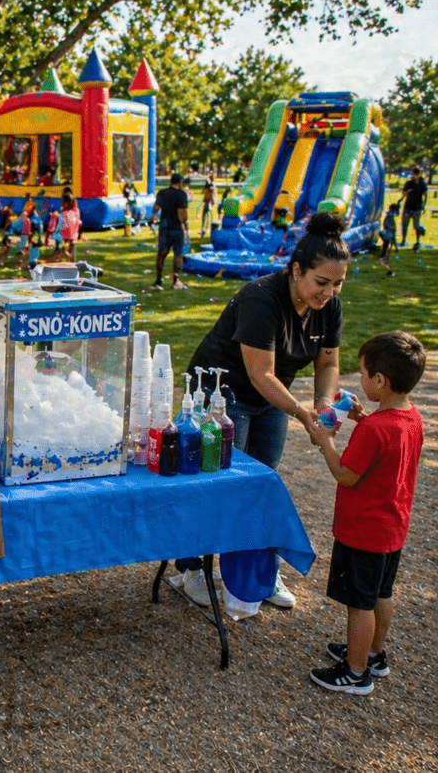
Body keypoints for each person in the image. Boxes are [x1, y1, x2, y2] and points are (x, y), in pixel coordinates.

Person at [183, 211, 350, 610]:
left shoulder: (329, 307)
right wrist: (301, 413)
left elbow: (328, 363)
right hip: (223, 395)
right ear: (296, 271)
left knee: (262, 483)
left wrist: (324, 406)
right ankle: (191, 569)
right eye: (321, 282)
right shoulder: (261, 298)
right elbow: (261, 374)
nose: (328, 292)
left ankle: (259, 571)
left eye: (338, 284)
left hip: (271, 396)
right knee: (219, 482)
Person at [307, 331, 426, 694]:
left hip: (363, 532)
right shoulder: (411, 418)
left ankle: (356, 672)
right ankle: (374, 654)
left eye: (362, 374)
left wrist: (325, 442)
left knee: (359, 605)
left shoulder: (375, 429)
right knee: (381, 595)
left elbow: (347, 475)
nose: (359, 380)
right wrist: (362, 420)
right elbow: (386, 452)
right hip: (391, 530)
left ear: (380, 380)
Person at [151, 172, 189, 290]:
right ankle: (175, 281)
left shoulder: (162, 193)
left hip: (164, 228)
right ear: (179, 182)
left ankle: (158, 280)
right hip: (176, 229)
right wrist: (185, 225)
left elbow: (156, 208)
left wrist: (153, 218)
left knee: (161, 253)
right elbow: (181, 215)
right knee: (178, 255)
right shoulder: (181, 195)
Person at [397, 165, 427, 251]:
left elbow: (425, 194)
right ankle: (403, 241)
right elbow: (404, 193)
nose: (413, 175)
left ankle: (417, 241)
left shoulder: (422, 184)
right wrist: (406, 193)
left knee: (416, 226)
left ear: (416, 174)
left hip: (417, 208)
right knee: (405, 225)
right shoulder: (409, 183)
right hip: (408, 206)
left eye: (414, 174)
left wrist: (423, 205)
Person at [51, 189, 81, 262]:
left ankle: (64, 258)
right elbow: (77, 223)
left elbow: (61, 225)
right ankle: (71, 260)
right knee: (71, 248)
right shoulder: (74, 212)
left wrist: (57, 231)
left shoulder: (64, 214)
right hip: (73, 234)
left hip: (65, 234)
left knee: (63, 249)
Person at [379, 202, 398, 274]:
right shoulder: (390, 216)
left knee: (386, 244)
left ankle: (384, 255)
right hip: (388, 232)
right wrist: (392, 228)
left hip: (387, 232)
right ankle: (384, 256)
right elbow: (387, 225)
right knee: (387, 243)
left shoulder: (389, 214)